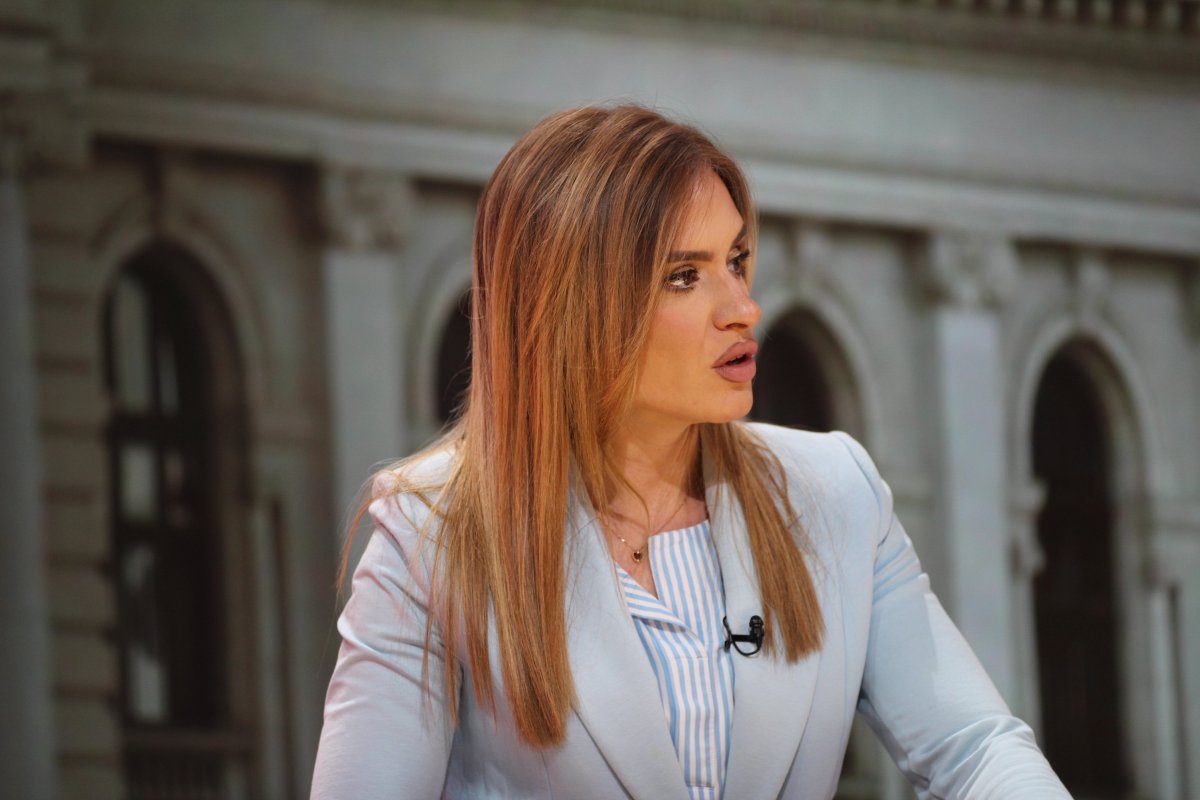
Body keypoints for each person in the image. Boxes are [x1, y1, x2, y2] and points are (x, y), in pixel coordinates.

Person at [310, 104, 1070, 799]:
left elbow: (977, 751)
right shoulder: (429, 535)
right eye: (684, 276)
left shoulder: (838, 491)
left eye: (736, 260)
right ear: (575, 308)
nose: (743, 309)